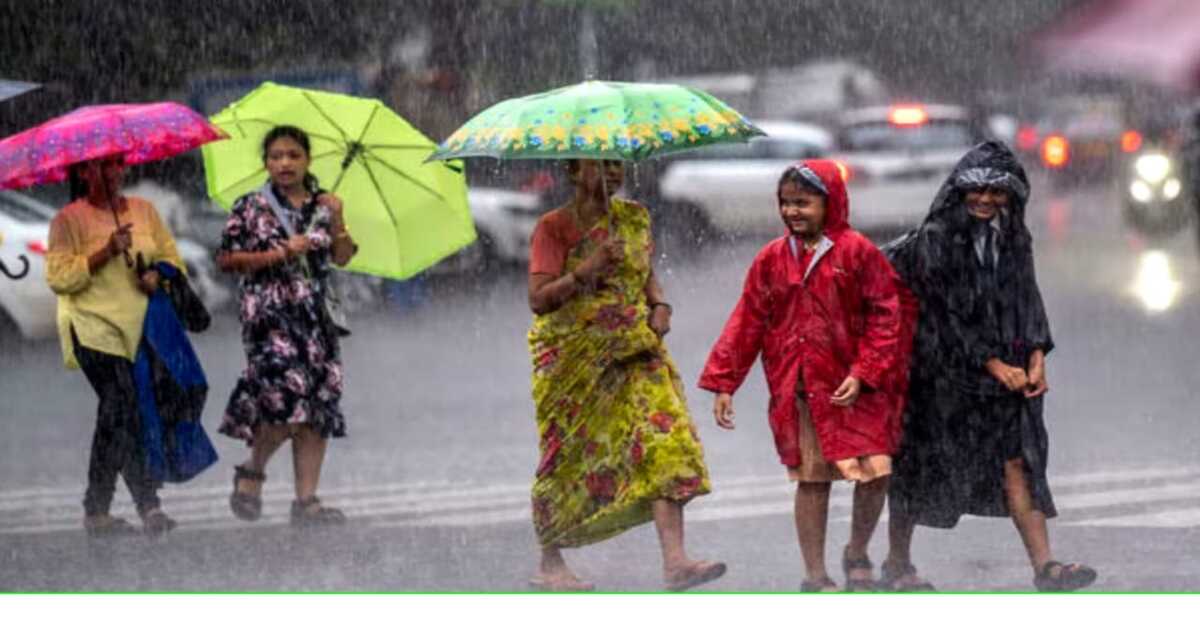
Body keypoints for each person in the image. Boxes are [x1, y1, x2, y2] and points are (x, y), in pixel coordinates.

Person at [881, 141, 1097, 592]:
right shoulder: (937, 240)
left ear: (1011, 197)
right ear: (959, 190)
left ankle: (1046, 566)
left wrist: (1037, 355)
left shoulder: (1013, 236)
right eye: (975, 189)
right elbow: (943, 315)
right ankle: (896, 564)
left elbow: (1026, 299)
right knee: (920, 466)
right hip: (941, 376)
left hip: (1005, 375)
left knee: (1019, 463)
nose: (985, 199)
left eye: (996, 192)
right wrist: (992, 363)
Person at [698, 160, 905, 592]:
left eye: (803, 203)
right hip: (802, 389)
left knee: (877, 473)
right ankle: (815, 575)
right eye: (786, 203)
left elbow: (887, 317)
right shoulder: (771, 260)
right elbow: (747, 321)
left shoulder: (858, 252)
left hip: (858, 389)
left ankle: (856, 549)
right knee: (812, 481)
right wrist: (724, 381)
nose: (793, 212)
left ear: (830, 204)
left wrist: (865, 370)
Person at [525, 158, 724, 592]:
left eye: (617, 165)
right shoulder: (554, 226)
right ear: (574, 172)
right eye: (601, 166)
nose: (613, 173)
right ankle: (550, 561)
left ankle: (675, 561)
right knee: (570, 454)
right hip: (575, 358)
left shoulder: (634, 218)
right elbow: (538, 300)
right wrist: (584, 271)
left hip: (636, 347)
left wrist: (660, 305)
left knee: (665, 440)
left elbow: (645, 274)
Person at [216, 125, 357, 526]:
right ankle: (253, 469)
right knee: (282, 402)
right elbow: (226, 259)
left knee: (317, 409)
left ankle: (306, 500)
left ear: (307, 160)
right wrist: (279, 252)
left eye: (293, 155)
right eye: (276, 156)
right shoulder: (250, 206)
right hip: (269, 317)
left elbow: (343, 256)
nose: (285, 163)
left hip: (315, 319)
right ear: (266, 163)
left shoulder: (323, 204)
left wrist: (339, 217)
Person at [45, 154, 182, 537]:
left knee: (126, 415)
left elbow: (172, 258)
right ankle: (135, 505)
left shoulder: (144, 210)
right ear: (83, 172)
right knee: (121, 406)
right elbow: (59, 279)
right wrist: (105, 251)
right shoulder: (68, 220)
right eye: (98, 166)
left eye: (115, 164)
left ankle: (111, 508)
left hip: (140, 328)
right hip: (92, 328)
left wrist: (158, 274)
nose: (109, 173)